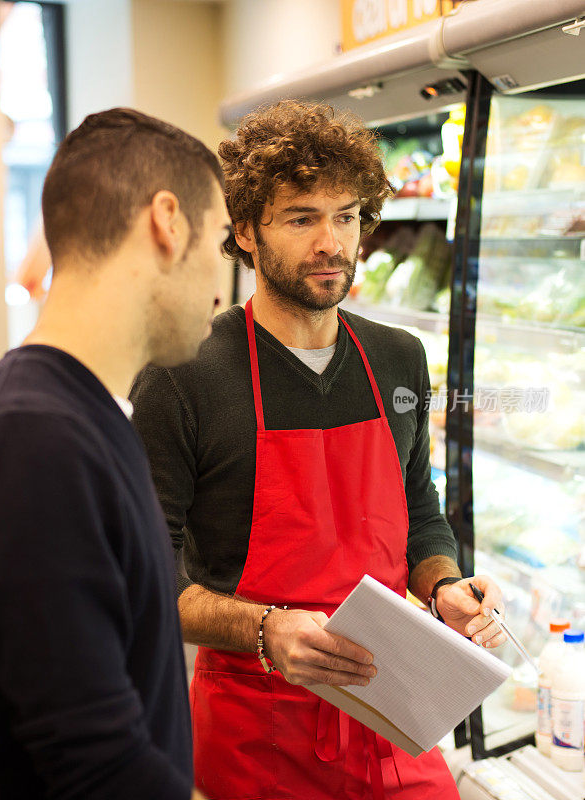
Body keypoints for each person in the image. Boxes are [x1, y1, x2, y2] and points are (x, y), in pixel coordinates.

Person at [131, 101, 507, 800]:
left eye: (347, 215)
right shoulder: (185, 376)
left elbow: (419, 507)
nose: (332, 242)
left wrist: (444, 586)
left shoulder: (397, 359)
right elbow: (147, 580)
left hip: (391, 709)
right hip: (256, 729)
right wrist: (268, 629)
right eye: (302, 218)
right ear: (244, 231)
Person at [0, 107, 231, 800]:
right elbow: (97, 766)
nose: (221, 283)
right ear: (167, 222)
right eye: (221, 241)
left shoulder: (75, 414)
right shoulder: (35, 445)